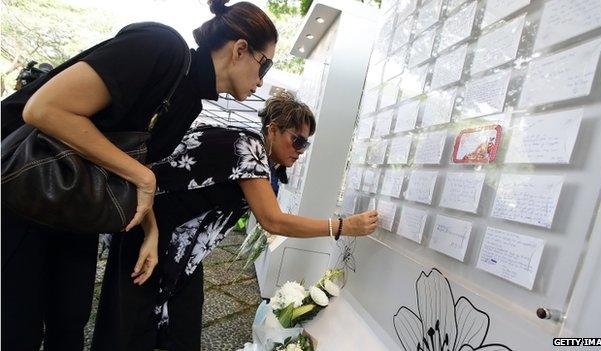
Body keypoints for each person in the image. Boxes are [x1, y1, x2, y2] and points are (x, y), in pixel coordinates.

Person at [1, 1, 278, 350]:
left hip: (77, 206)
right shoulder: (160, 47)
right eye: (264, 65)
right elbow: (44, 109)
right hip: (22, 189)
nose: (261, 82)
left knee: (70, 323)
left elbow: (133, 167)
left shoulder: (190, 101)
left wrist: (151, 230)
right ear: (240, 49)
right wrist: (143, 178)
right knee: (15, 330)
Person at [92, 92, 379, 351]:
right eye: (297, 140)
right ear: (273, 129)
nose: (301, 150)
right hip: (148, 233)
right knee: (129, 328)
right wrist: (342, 226)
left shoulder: (263, 161)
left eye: (306, 144)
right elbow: (272, 220)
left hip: (184, 248)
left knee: (183, 328)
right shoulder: (248, 147)